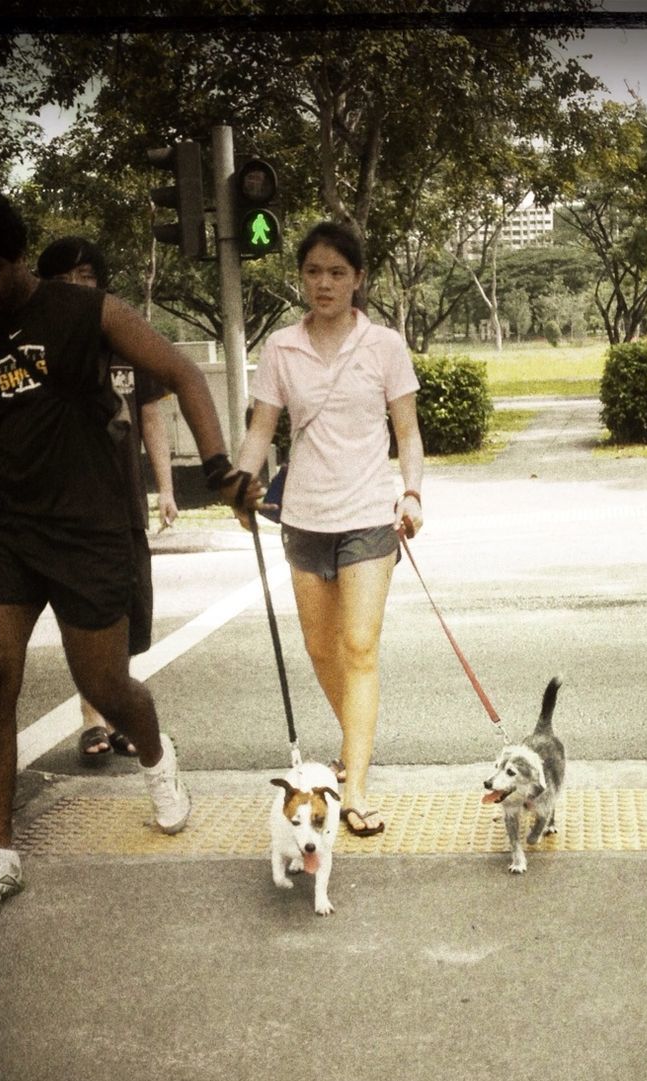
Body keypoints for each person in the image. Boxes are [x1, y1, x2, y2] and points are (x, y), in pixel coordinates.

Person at [0, 191, 257, 918]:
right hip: (5, 534)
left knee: (106, 687)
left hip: (87, 530)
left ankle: (155, 753)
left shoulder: (88, 312)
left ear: (16, 257)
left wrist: (220, 467)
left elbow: (183, 373)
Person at [235, 221, 424, 838]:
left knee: (359, 648)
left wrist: (414, 492)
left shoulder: (385, 345)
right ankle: (356, 743)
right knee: (321, 650)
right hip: (304, 518)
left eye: (337, 272)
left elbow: (407, 432)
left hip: (370, 516)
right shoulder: (282, 350)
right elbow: (262, 428)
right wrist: (241, 481)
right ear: (302, 277)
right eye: (314, 271)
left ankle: (357, 788)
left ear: (358, 279)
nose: (324, 283)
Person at [35, 236, 179, 763]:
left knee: (128, 614)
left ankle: (117, 715)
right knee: (89, 614)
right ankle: (93, 722)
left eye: (86, 278)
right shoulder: (42, 349)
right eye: (65, 279)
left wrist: (164, 488)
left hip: (125, 507)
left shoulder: (126, 343)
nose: (77, 288)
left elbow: (150, 417)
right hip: (70, 511)